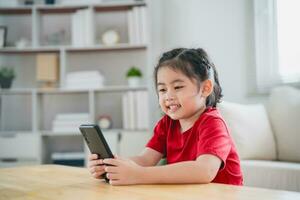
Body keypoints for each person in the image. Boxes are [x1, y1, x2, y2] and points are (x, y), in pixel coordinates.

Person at [88, 48, 243, 186]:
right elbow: (145, 160)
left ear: (205, 88)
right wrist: (114, 166)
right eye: (162, 89)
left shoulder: (213, 123)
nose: (168, 96)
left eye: (178, 87)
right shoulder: (167, 124)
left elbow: (204, 171)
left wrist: (138, 175)